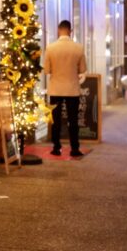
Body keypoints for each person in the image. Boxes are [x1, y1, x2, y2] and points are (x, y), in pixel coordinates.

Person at [44, 20, 87, 157]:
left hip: (55, 89)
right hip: (72, 89)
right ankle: (75, 148)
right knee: (73, 120)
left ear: (58, 30)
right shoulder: (78, 48)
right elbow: (82, 69)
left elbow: (46, 70)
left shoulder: (50, 48)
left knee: (56, 120)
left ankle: (56, 147)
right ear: (70, 31)